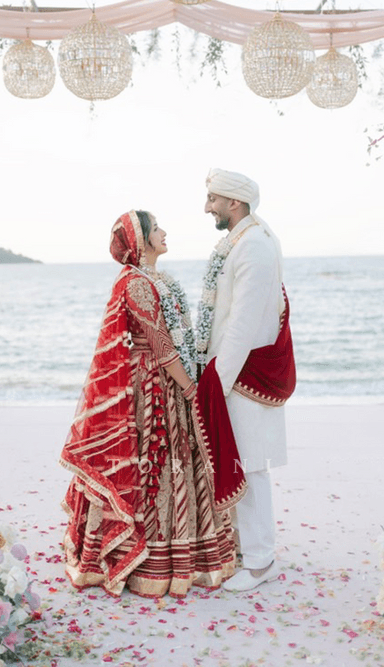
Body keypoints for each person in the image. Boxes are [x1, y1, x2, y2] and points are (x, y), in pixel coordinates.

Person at [60, 210, 236, 598]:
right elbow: (161, 344)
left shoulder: (157, 280)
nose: (164, 232)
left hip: (165, 379)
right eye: (156, 228)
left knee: (177, 464)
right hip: (151, 388)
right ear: (140, 240)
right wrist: (191, 390)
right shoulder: (137, 284)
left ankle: (183, 554)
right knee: (152, 464)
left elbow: (177, 339)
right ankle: (145, 561)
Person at [196, 168, 296, 593]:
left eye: (213, 200)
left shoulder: (253, 244)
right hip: (232, 369)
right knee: (241, 462)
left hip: (242, 374)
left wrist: (216, 379)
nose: (207, 207)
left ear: (233, 203)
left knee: (250, 465)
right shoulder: (243, 239)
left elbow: (243, 320)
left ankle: (260, 563)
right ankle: (246, 550)